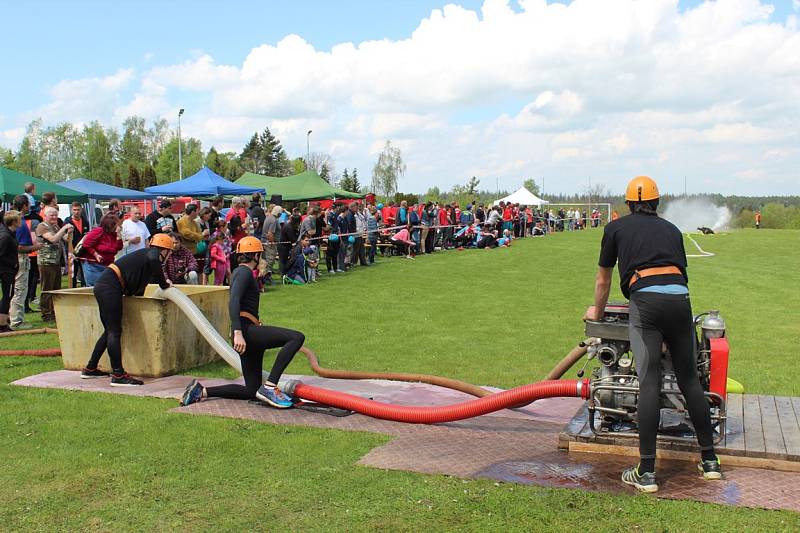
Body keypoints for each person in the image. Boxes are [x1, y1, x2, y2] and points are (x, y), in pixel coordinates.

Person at [584, 175, 721, 494]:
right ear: (656, 202)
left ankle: (646, 472)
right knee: (689, 379)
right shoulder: (672, 229)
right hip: (680, 301)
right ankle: (710, 462)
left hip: (645, 302)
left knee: (648, 381)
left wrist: (599, 313)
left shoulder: (615, 228)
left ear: (629, 202)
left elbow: (603, 280)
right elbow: (677, 276)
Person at [180, 237, 305, 408]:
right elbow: (234, 300)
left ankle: (201, 391)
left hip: (247, 332)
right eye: (259, 254)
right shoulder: (244, 272)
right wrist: (237, 332)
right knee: (296, 337)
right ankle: (270, 386)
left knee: (251, 391)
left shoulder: (242, 273)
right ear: (255, 255)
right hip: (247, 332)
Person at [81, 233, 174, 386]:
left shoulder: (144, 259)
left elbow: (138, 287)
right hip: (110, 286)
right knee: (114, 331)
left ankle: (90, 368)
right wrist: (164, 284)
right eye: (168, 252)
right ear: (165, 250)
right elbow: (153, 259)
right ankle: (118, 375)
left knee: (110, 330)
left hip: (106, 285)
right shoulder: (152, 254)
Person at [36, 207, 73, 323]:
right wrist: (64, 228)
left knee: (56, 288)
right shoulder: (42, 227)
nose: (54, 217)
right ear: (45, 215)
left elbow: (65, 239)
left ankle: (54, 311)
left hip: (56, 262)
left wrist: (69, 232)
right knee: (47, 288)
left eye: (56, 215)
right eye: (51, 215)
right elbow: (53, 239)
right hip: (46, 262)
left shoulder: (56, 226)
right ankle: (46, 313)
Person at [9, 195, 41, 330]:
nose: (30, 207)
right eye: (28, 205)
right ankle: (16, 321)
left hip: (15, 259)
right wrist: (36, 247)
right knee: (20, 290)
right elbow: (20, 247)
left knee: (18, 290)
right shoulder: (19, 222)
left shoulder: (14, 220)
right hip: (21, 259)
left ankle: (14, 318)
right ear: (23, 206)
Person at [80, 213, 123, 287]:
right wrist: (95, 254)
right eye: (116, 224)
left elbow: (119, 247)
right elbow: (86, 244)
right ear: (110, 225)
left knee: (106, 287)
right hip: (93, 265)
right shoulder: (98, 231)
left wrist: (119, 235)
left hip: (107, 265)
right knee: (95, 287)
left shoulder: (114, 234)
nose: (118, 226)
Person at [0, 211, 22, 333]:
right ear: (14, 222)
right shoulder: (6, 236)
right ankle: (2, 324)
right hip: (6, 271)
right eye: (19, 220)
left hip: (9, 270)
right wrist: (12, 264)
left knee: (9, 295)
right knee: (7, 296)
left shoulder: (10, 234)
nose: (21, 222)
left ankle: (4, 320)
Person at [66, 202, 90, 286]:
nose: (76, 212)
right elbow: (64, 238)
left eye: (78, 210)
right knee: (73, 272)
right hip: (71, 251)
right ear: (71, 210)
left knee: (85, 271)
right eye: (74, 210)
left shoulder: (85, 221)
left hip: (83, 251)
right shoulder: (67, 222)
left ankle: (84, 287)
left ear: (81, 210)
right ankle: (73, 289)